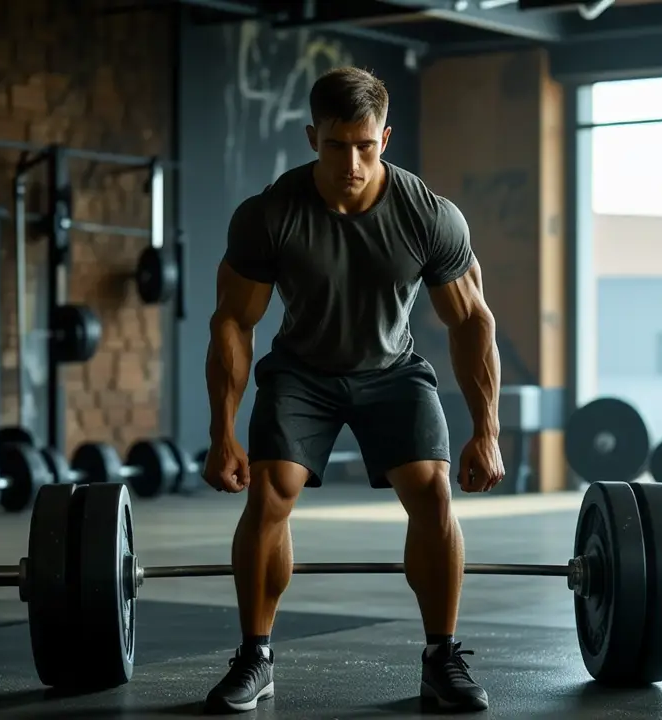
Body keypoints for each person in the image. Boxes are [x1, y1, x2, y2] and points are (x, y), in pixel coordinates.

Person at [201, 65, 504, 715]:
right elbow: (233, 322)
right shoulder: (270, 214)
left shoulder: (428, 215)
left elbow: (472, 321)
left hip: (391, 370)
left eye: (366, 146)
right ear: (313, 137)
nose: (352, 163)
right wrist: (222, 433)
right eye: (337, 146)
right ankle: (256, 656)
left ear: (384, 138)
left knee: (432, 490)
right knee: (271, 490)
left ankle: (442, 656)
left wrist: (488, 432)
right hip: (301, 373)